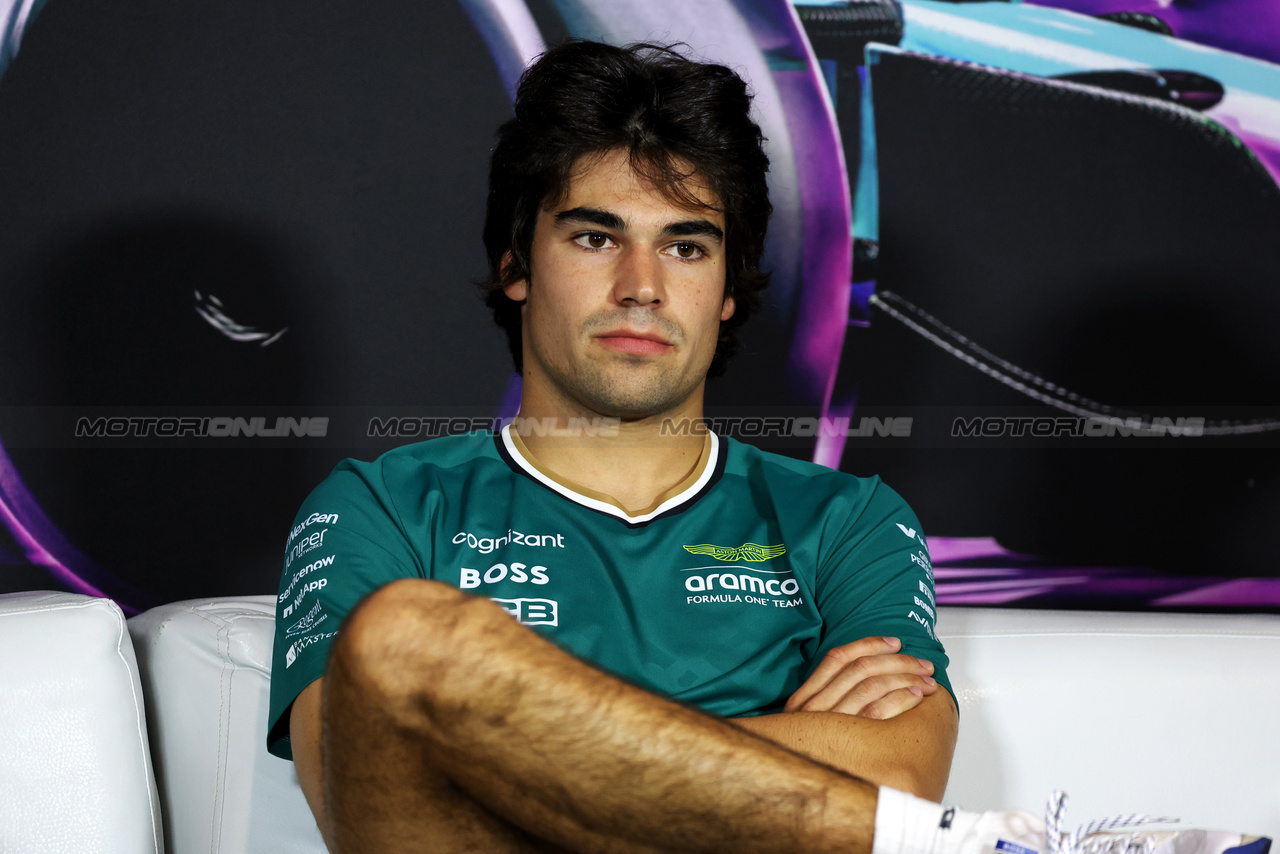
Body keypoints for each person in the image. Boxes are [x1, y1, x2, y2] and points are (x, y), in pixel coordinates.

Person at [266, 40, 1270, 854]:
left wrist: (504, 747)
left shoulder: (845, 518)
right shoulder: (382, 504)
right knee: (410, 637)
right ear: (514, 263)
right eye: (591, 235)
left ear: (732, 288)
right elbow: (360, 787)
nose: (641, 285)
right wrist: (766, 762)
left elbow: (904, 774)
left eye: (687, 245)